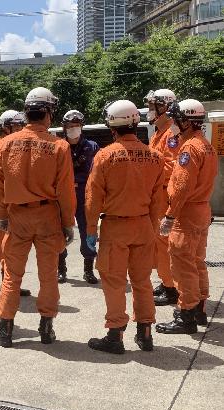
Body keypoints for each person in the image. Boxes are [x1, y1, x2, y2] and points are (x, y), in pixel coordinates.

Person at [0, 87, 76, 348]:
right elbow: (65, 191)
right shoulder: (58, 146)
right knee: (48, 275)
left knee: (12, 275)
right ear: (48, 113)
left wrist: (1, 217)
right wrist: (67, 223)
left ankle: (5, 330)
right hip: (48, 215)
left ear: (27, 112)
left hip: (17, 217)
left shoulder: (4, 144)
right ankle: (46, 329)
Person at [85, 100, 165, 354]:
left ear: (112, 127)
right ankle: (145, 333)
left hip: (115, 227)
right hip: (143, 225)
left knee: (115, 282)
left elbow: (92, 198)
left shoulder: (105, 156)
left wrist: (90, 231)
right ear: (135, 123)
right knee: (142, 281)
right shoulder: (155, 156)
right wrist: (152, 228)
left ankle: (115, 334)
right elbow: (159, 200)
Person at [156, 99, 218, 334]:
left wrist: (170, 216)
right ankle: (199, 309)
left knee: (183, 266)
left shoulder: (190, 148)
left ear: (185, 120)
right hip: (202, 210)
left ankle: (186, 316)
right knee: (197, 261)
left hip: (187, 212)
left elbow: (181, 186)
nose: (174, 123)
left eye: (176, 119)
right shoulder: (205, 145)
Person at [0, 110, 31, 304]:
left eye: (21, 126)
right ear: (5, 127)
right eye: (16, 126)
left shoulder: (16, 147)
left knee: (11, 249)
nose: (19, 130)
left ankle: (9, 285)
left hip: (14, 207)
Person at [144, 89, 182, 306]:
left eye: (153, 107)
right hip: (156, 195)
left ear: (165, 108)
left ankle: (172, 288)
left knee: (165, 244)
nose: (150, 111)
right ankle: (166, 282)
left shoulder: (171, 133)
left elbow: (170, 165)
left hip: (164, 194)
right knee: (158, 244)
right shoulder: (159, 133)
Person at [57, 110, 100, 285]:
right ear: (64, 128)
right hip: (63, 194)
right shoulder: (59, 146)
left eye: (76, 126)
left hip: (85, 194)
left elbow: (99, 173)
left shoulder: (92, 146)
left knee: (88, 231)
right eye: (70, 126)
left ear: (81, 127)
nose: (73, 129)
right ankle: (61, 269)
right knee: (59, 232)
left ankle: (88, 270)